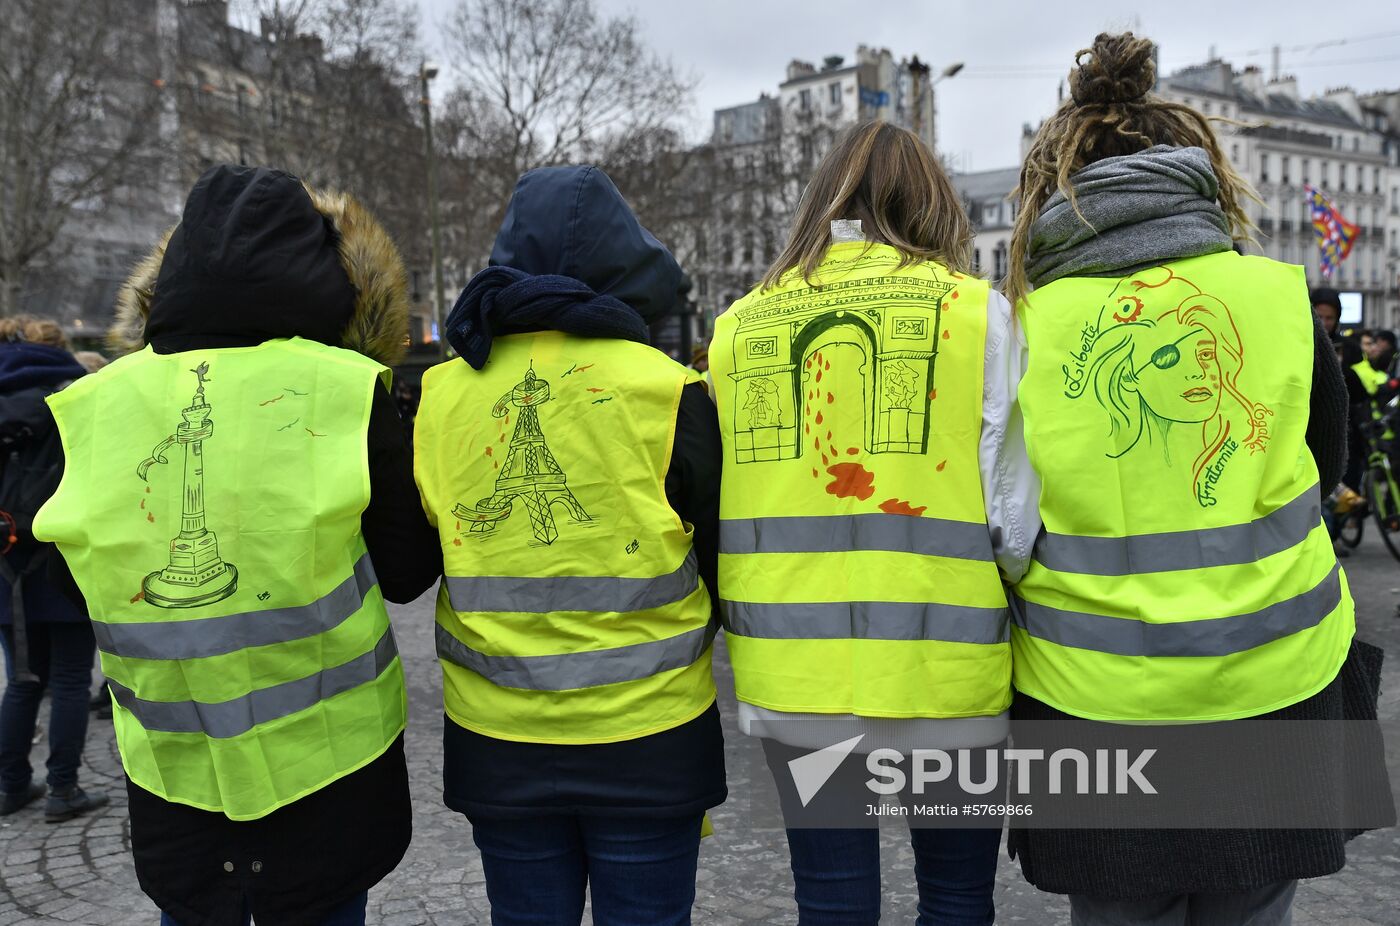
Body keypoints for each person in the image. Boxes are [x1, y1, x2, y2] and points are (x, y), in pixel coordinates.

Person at [1003, 32, 1388, 924]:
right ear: (1196, 173)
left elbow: (1004, 519)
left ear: (1053, 189)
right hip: (1276, 686)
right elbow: (1322, 469)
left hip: (1091, 704)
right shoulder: (1278, 298)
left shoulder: (1024, 329)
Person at [33, 165, 442, 926]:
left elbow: (68, 576)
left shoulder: (95, 403)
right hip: (329, 765)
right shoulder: (347, 389)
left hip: (173, 768)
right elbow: (410, 570)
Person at [709, 121, 1035, 925]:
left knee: (830, 899)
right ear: (933, 203)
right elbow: (1013, 521)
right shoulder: (978, 315)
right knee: (957, 896)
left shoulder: (737, 326)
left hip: (795, 672)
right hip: (944, 666)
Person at [415, 165, 725, 926]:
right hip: (649, 734)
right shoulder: (667, 388)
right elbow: (723, 559)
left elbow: (421, 551)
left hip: (498, 735)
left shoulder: (439, 394)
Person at [0, 316, 107, 822]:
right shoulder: (81, 395)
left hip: (5, 562)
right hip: (65, 557)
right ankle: (63, 790)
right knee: (68, 679)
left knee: (22, 679)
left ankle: (10, 785)